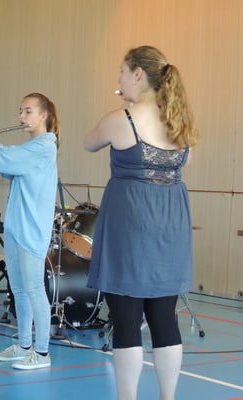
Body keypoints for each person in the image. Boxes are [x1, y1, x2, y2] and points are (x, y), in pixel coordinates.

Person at [84, 46, 199, 399]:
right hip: (170, 226)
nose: (118, 79)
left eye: (122, 71)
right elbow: (184, 163)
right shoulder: (179, 121)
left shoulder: (122, 119)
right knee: (165, 318)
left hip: (130, 224)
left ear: (138, 74)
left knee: (127, 320)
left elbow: (89, 143)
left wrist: (124, 104)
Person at [0, 92, 60, 370]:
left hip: (31, 228)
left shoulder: (44, 145)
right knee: (18, 289)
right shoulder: (31, 146)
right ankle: (24, 345)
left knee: (34, 288)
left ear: (43, 115)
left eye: (28, 111)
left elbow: (8, 161)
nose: (21, 117)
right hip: (16, 225)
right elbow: (10, 169)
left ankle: (42, 353)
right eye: (20, 111)